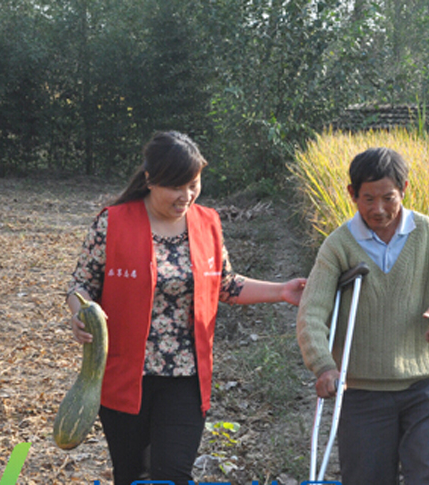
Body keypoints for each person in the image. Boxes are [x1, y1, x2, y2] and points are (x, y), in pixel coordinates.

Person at [65, 130, 306, 485]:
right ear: (149, 179)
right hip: (125, 376)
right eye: (176, 187)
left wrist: (282, 291)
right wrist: (78, 312)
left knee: (174, 475)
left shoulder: (207, 223)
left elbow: (225, 283)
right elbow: (82, 285)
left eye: (193, 184)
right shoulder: (112, 222)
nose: (186, 196)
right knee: (132, 476)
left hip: (186, 378)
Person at [296, 147, 429, 484]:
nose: (379, 210)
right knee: (367, 478)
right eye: (368, 199)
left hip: (426, 384)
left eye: (389, 198)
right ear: (352, 194)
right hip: (362, 389)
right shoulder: (339, 245)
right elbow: (312, 311)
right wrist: (323, 365)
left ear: (404, 189)